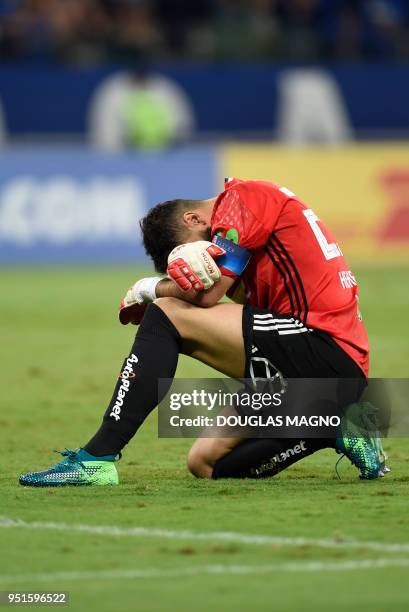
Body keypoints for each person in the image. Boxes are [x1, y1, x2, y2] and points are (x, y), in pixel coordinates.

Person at [19, 177, 387, 487]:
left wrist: (149, 289)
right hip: (310, 363)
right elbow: (227, 299)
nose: (194, 266)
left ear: (194, 217)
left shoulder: (243, 198)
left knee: (166, 312)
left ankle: (96, 458)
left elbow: (206, 295)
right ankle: (334, 427)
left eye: (186, 252)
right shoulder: (245, 245)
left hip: (325, 349)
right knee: (206, 463)